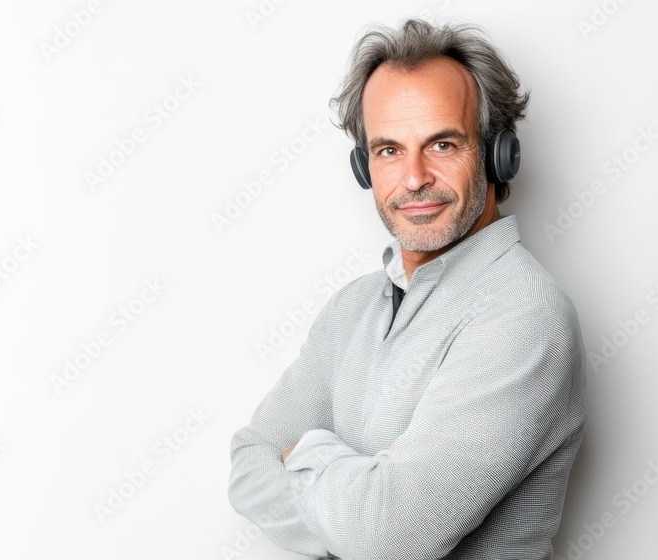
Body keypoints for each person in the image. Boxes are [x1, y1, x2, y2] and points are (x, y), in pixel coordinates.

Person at [227, 18, 587, 560]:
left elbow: (391, 538)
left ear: (498, 154)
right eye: (389, 150)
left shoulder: (525, 317)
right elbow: (248, 465)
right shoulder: (351, 308)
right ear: (364, 167)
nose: (414, 178)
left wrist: (312, 451)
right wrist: (366, 489)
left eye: (442, 143)